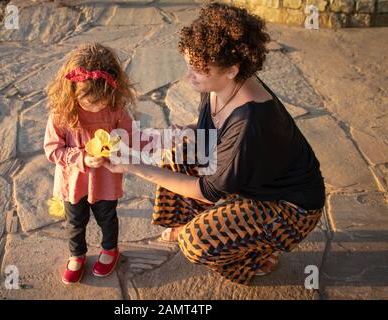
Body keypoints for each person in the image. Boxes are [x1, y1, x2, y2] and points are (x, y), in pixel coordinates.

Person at [103, 3, 326, 285]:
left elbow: (207, 190)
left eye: (198, 70)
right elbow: (215, 128)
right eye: (189, 65)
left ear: (232, 70)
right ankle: (191, 222)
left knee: (196, 243)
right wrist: (192, 129)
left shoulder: (251, 122)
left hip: (288, 208)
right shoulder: (223, 84)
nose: (189, 75)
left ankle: (257, 254)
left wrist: (135, 167)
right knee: (180, 153)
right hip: (253, 178)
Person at [43, 43, 135, 285]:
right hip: (74, 183)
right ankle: (77, 255)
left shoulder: (116, 109)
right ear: (72, 91)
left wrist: (116, 145)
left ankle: (109, 250)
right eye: (88, 101)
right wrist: (81, 158)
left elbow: (129, 135)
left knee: (108, 218)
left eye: (100, 101)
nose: (95, 106)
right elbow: (53, 149)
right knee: (75, 222)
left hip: (105, 181)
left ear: (112, 90)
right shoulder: (62, 114)